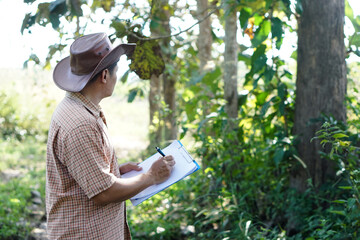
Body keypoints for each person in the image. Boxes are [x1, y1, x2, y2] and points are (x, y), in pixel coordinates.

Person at [46, 32, 175, 239]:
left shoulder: (80, 107)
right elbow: (103, 193)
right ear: (105, 76)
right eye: (116, 73)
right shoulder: (81, 124)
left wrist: (113, 171)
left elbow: (86, 172)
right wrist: (151, 176)